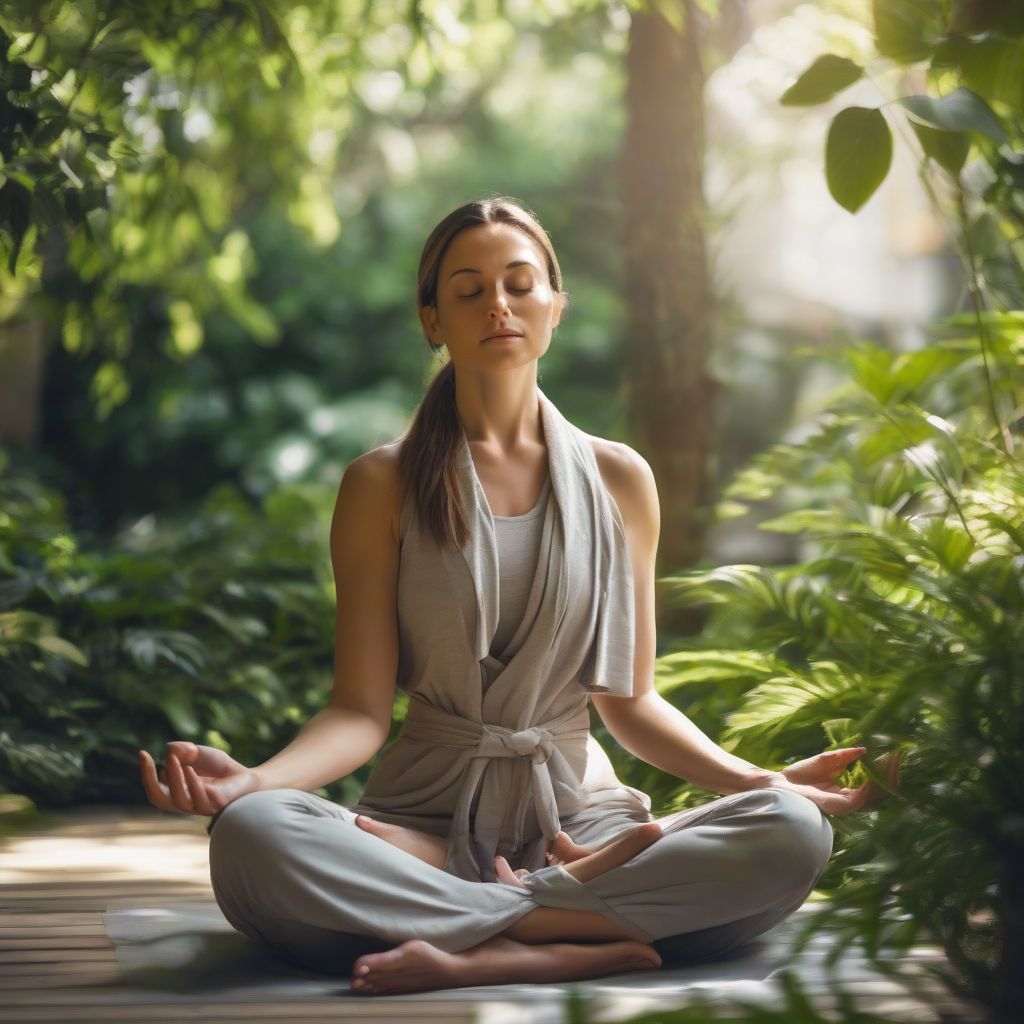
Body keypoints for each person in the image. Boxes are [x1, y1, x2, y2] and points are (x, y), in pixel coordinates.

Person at [139, 196, 871, 996]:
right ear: (433, 321)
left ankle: (480, 933)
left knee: (792, 830)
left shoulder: (619, 479)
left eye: (521, 284)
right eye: (468, 290)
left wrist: (762, 782)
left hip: (580, 824)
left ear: (555, 306)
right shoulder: (381, 484)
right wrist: (253, 781)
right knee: (254, 836)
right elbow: (358, 712)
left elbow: (630, 703)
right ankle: (564, 933)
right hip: (418, 824)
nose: (499, 304)